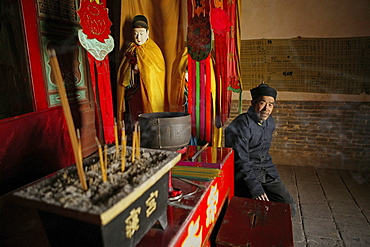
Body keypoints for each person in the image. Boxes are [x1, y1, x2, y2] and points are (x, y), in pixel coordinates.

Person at [225, 83, 296, 217]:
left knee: (288, 208)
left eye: (271, 105)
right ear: (253, 103)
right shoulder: (241, 124)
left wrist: (274, 178)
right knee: (255, 211)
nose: (266, 109)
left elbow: (265, 155)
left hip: (266, 172)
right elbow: (240, 161)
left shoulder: (270, 122)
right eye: (263, 103)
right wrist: (256, 189)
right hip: (244, 175)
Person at [117, 15, 165, 132]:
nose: (138, 37)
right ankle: (135, 136)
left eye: (142, 33)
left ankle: (151, 134)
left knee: (147, 115)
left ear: (148, 33)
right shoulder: (130, 48)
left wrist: (142, 68)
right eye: (135, 34)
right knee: (135, 117)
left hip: (147, 91)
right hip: (132, 91)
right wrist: (130, 69)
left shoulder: (153, 50)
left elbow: (157, 71)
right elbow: (122, 72)